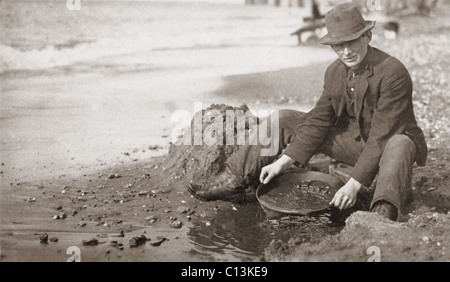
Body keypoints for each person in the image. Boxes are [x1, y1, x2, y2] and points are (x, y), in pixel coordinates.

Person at [187, 3, 427, 221]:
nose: (346, 52)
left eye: (352, 41)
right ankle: (234, 180)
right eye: (338, 45)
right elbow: (319, 120)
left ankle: (382, 211)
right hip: (353, 145)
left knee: (400, 143)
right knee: (286, 118)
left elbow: (381, 137)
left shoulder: (392, 72)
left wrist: (353, 185)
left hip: (388, 150)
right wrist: (283, 161)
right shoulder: (334, 72)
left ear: (368, 36)